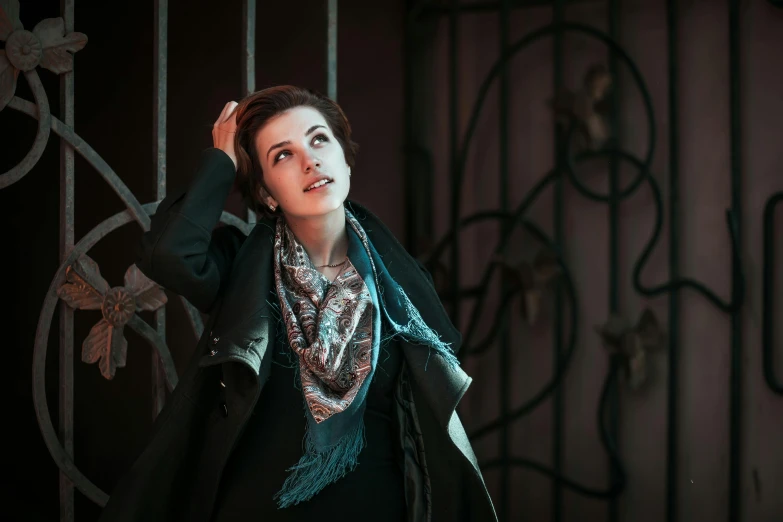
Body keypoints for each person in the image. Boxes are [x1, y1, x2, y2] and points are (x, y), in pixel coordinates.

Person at [98, 86, 497, 522]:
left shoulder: (399, 284)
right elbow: (169, 255)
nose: (310, 161)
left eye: (319, 139)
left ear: (345, 160)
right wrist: (222, 162)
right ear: (267, 194)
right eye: (282, 155)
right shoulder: (243, 274)